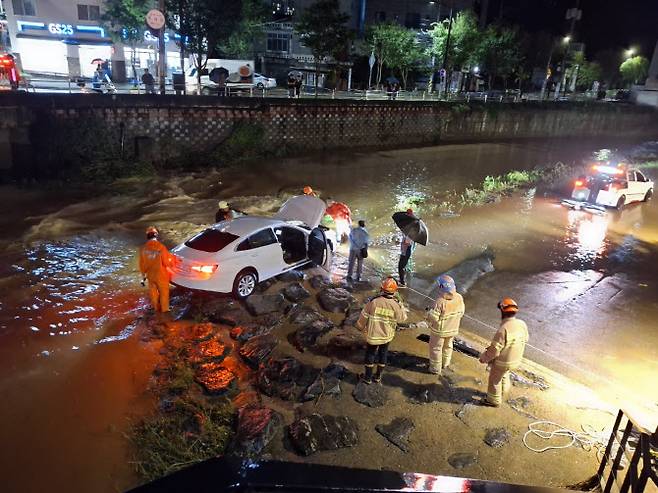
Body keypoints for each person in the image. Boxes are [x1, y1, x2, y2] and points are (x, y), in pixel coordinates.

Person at [478, 298, 529, 407]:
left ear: (502, 311)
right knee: (504, 374)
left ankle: (493, 400)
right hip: (516, 360)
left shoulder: (503, 329)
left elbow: (494, 351)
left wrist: (484, 358)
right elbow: (526, 339)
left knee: (494, 380)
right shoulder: (522, 324)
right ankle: (504, 392)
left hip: (502, 362)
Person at [356, 277, 407, 384]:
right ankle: (378, 377)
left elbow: (364, 316)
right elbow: (402, 319)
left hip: (373, 335)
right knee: (383, 354)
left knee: (370, 354)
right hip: (387, 336)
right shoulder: (396, 305)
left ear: (381, 289)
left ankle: (368, 378)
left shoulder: (374, 302)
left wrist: (360, 327)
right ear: (395, 291)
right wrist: (401, 305)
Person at [427, 275, 465, 375]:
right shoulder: (459, 298)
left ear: (441, 288)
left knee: (436, 348)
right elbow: (461, 313)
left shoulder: (440, 302)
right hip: (453, 329)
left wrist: (428, 313)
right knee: (448, 346)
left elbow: (433, 318)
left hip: (439, 331)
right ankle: (445, 363)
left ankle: (435, 368)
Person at [139, 226, 172, 313]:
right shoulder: (161, 247)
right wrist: (173, 262)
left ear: (147, 236)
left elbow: (142, 265)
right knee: (164, 294)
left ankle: (156, 309)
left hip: (150, 275)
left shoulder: (143, 248)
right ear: (156, 235)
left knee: (153, 294)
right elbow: (166, 263)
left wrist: (143, 276)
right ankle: (165, 311)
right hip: (161, 275)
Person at [397, 209, 416, 286]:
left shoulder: (409, 232)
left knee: (400, 267)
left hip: (406, 251)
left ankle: (402, 282)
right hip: (407, 250)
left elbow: (408, 243)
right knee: (404, 265)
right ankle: (403, 279)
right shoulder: (412, 229)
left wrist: (402, 242)